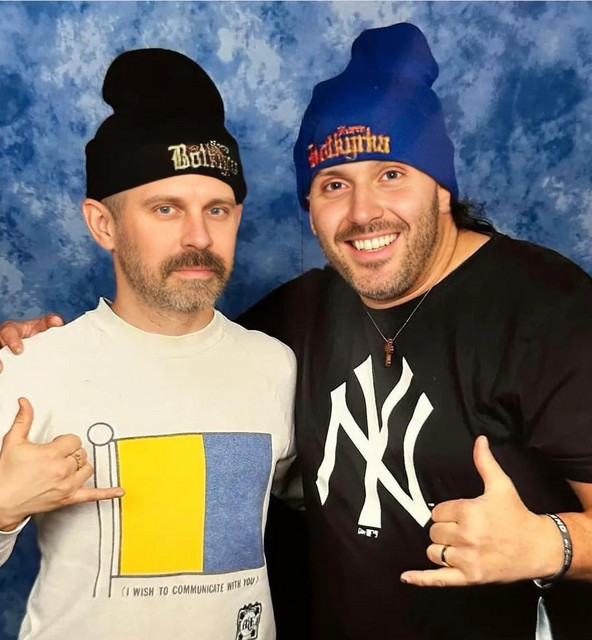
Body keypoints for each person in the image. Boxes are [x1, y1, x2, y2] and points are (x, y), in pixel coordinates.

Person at [3, 22, 592, 640]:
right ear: (310, 210)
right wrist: (30, 359)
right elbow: (167, 352)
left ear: (442, 188)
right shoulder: (294, 319)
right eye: (335, 184)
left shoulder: (548, 309)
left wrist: (548, 543)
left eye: (392, 173)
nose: (364, 212)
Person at [0, 47, 296, 640]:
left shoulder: (276, 365)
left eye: (218, 209)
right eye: (166, 209)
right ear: (103, 224)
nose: (198, 236)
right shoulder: (31, 367)